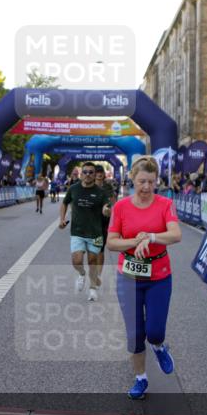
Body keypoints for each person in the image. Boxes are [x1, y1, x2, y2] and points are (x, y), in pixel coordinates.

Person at [106, 155, 182, 400]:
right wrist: (136, 241)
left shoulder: (165, 204)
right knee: (135, 333)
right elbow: (112, 243)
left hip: (159, 275)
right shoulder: (121, 207)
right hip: (128, 276)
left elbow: (176, 234)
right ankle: (140, 378)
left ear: (156, 181)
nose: (146, 187)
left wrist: (150, 237)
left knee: (155, 331)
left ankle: (159, 346)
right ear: (132, 180)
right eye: (141, 182)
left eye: (151, 182)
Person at [60, 162, 111, 302]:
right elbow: (64, 202)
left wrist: (106, 211)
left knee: (92, 260)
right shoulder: (74, 189)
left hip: (96, 233)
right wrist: (62, 219)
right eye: (85, 172)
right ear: (81, 174)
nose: (88, 174)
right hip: (77, 231)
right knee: (76, 260)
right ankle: (81, 274)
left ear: (95, 175)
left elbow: (106, 208)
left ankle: (93, 289)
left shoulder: (101, 192)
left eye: (91, 172)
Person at [94, 165, 118, 287]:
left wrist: (113, 211)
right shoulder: (88, 185)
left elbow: (114, 201)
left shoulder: (108, 186)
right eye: (97, 172)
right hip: (90, 222)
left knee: (100, 250)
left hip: (105, 220)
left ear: (103, 174)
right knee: (91, 251)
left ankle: (98, 275)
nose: (99, 174)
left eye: (100, 172)